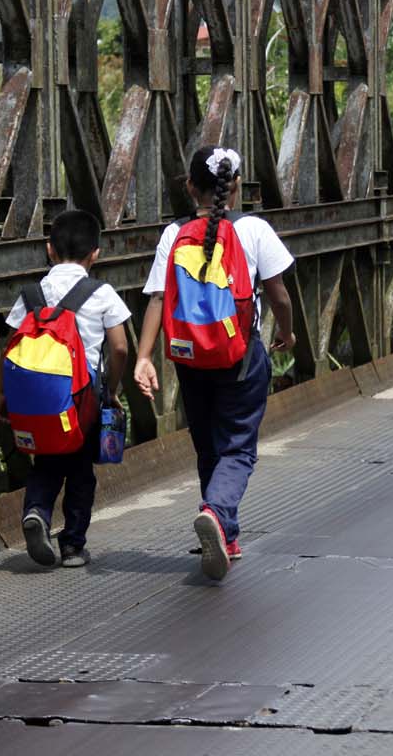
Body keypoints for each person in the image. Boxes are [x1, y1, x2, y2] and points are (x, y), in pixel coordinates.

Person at [134, 146, 295, 580]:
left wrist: (145, 356)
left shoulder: (174, 234)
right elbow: (278, 293)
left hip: (190, 357)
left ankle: (225, 531)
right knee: (238, 446)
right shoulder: (254, 230)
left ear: (190, 187)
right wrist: (287, 332)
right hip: (240, 355)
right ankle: (217, 512)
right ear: (238, 186)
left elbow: (158, 298)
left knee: (208, 444)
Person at [0, 210, 130, 569]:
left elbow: (10, 346)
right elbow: (119, 348)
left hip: (35, 398)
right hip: (81, 397)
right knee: (80, 470)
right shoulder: (101, 292)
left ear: (49, 250)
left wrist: (3, 396)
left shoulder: (32, 293)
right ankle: (72, 545)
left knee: (46, 461)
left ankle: (37, 512)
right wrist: (112, 391)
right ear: (96, 254)